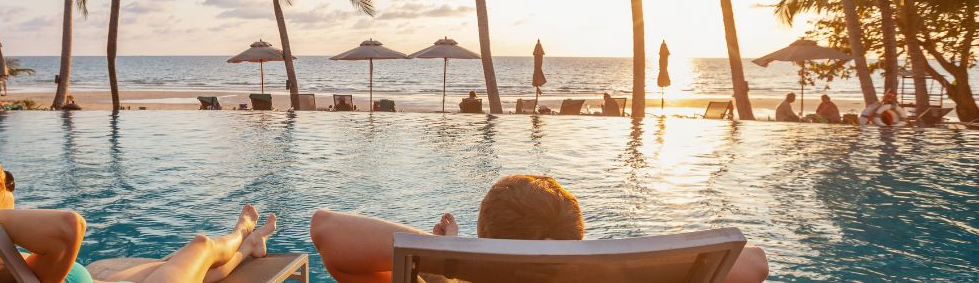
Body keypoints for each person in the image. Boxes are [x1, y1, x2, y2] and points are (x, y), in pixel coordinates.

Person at [0, 144, 277, 283]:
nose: (13, 188)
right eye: (6, 182)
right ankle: (243, 230)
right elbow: (69, 225)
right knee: (202, 246)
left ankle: (249, 246)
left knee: (192, 270)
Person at [310, 175, 769, 283]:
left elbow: (328, 229)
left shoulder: (460, 263)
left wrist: (453, 255)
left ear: (482, 236)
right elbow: (752, 263)